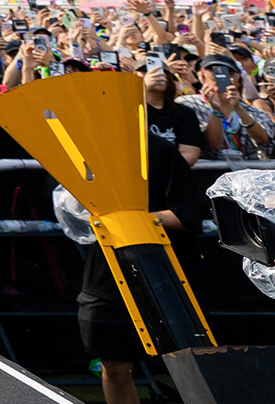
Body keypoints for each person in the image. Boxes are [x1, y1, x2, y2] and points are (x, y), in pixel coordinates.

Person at [76, 134, 205, 404]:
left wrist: (131, 220)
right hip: (106, 270)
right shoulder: (82, 148)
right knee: (114, 365)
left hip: (162, 271)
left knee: (188, 364)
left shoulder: (159, 150)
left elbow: (186, 216)